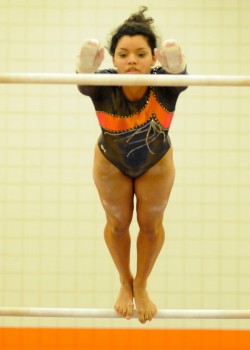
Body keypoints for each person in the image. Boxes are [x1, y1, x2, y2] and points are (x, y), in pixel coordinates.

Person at [76, 6, 187, 324]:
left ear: (154, 58)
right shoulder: (103, 83)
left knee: (151, 223)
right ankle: (125, 282)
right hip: (111, 162)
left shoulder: (164, 82)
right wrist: (84, 67)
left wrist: (176, 64)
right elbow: (85, 83)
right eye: (123, 54)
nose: (132, 60)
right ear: (113, 60)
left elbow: (180, 78)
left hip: (156, 163)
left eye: (140, 54)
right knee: (118, 223)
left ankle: (142, 284)